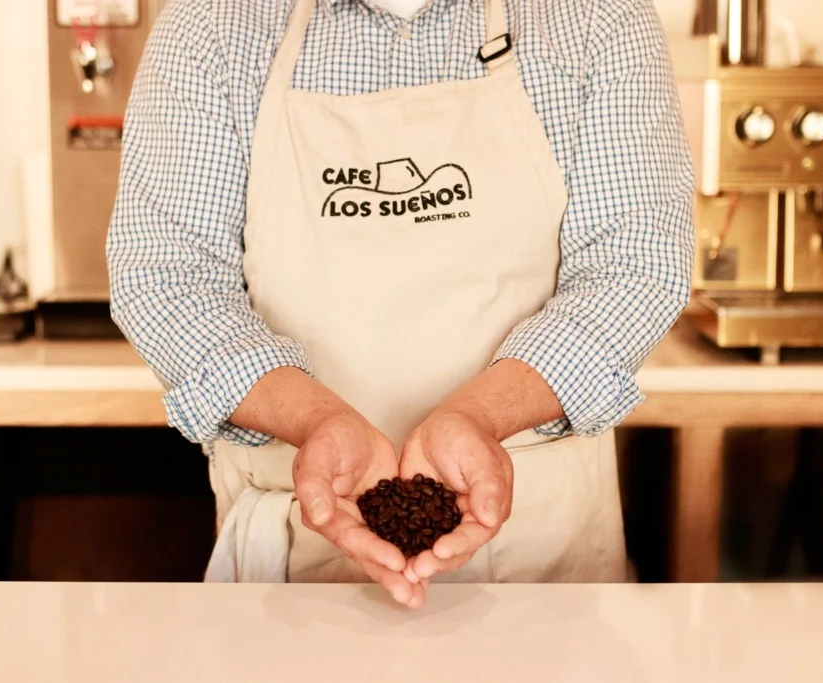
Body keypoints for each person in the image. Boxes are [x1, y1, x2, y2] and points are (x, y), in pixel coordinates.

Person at [107, 0, 694, 609]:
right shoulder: (213, 24)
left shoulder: (596, 18)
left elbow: (634, 269)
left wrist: (482, 418)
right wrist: (314, 422)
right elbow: (167, 277)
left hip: (540, 567)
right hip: (295, 563)